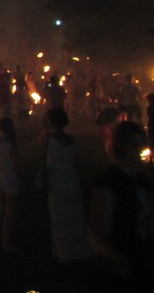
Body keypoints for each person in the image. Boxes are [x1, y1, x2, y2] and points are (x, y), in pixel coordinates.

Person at [90, 120, 153, 284]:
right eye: (137, 144)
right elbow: (98, 232)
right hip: (120, 265)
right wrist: (118, 260)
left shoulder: (142, 182)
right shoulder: (110, 182)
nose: (144, 149)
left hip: (141, 258)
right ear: (125, 146)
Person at [42, 107, 94, 263]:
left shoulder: (49, 139)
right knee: (74, 216)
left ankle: (63, 252)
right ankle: (77, 248)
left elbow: (45, 160)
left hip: (57, 182)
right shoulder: (72, 141)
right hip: (72, 182)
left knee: (59, 218)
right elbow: (77, 163)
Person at [0, 117, 21, 252]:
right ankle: (6, 242)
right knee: (10, 210)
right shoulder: (11, 145)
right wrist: (21, 178)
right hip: (9, 177)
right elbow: (15, 165)